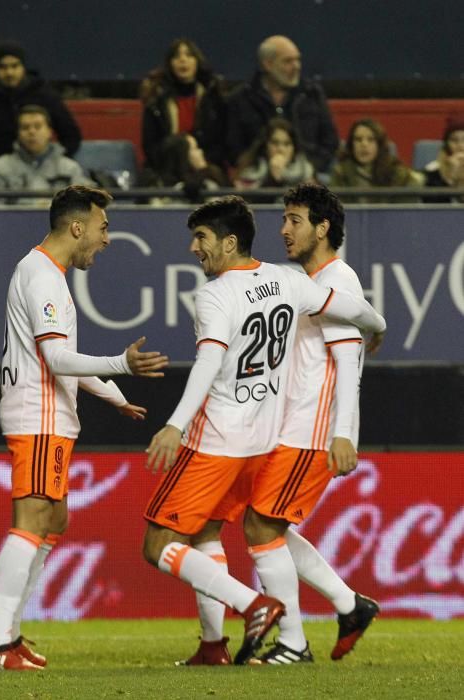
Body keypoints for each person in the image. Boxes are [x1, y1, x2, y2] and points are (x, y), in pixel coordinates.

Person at [142, 195, 385, 665]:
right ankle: (339, 607)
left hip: (284, 432)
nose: (284, 230)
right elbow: (362, 315)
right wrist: (380, 324)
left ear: (322, 228)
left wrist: (344, 433)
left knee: (238, 531)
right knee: (235, 527)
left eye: (295, 221)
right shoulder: (289, 280)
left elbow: (347, 362)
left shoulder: (320, 278)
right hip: (268, 434)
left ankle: (286, 633)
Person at [0, 185, 168, 671]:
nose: (107, 239)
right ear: (77, 226)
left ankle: (9, 635)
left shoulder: (46, 274)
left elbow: (62, 362)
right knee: (32, 520)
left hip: (51, 414)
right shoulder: (41, 274)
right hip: (38, 414)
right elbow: (56, 358)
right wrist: (121, 365)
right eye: (103, 228)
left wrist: (114, 395)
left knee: (54, 520)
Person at [0, 40, 81, 172]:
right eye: (3, 67)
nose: (9, 73)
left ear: (23, 67)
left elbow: (71, 136)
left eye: (15, 66)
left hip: (40, 172)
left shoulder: (45, 95)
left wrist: (55, 161)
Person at [225, 36, 339, 173]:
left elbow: (330, 141)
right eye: (288, 61)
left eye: (298, 60)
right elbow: (233, 148)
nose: (296, 66)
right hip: (258, 178)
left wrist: (311, 168)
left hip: (311, 173)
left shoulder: (312, 94)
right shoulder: (240, 99)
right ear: (267, 64)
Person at [140, 38, 227, 172]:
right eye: (176, 56)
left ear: (197, 61)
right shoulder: (156, 100)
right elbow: (150, 146)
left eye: (188, 55)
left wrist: (201, 164)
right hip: (166, 169)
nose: (183, 60)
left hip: (204, 167)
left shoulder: (213, 98)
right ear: (170, 64)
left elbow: (221, 143)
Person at [0, 105, 93, 205]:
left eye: (37, 126)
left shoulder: (70, 168)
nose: (31, 132)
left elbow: (83, 208)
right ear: (18, 133)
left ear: (49, 132)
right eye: (25, 127)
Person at [330, 118, 423, 201]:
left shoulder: (396, 173)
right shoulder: (341, 173)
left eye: (371, 139)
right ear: (351, 145)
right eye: (358, 139)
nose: (364, 145)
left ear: (380, 145)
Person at [234, 117, 315, 201]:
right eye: (275, 143)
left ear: (294, 148)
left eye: (287, 144)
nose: (281, 149)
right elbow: (250, 205)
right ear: (265, 146)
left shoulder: (305, 173)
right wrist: (273, 179)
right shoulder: (249, 171)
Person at [139, 132, 229, 204]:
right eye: (195, 148)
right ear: (182, 156)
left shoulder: (209, 182)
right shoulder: (157, 188)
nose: (201, 152)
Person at [422, 116, 464, 203]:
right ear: (446, 145)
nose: (461, 146)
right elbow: (433, 208)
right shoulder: (433, 171)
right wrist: (449, 179)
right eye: (454, 140)